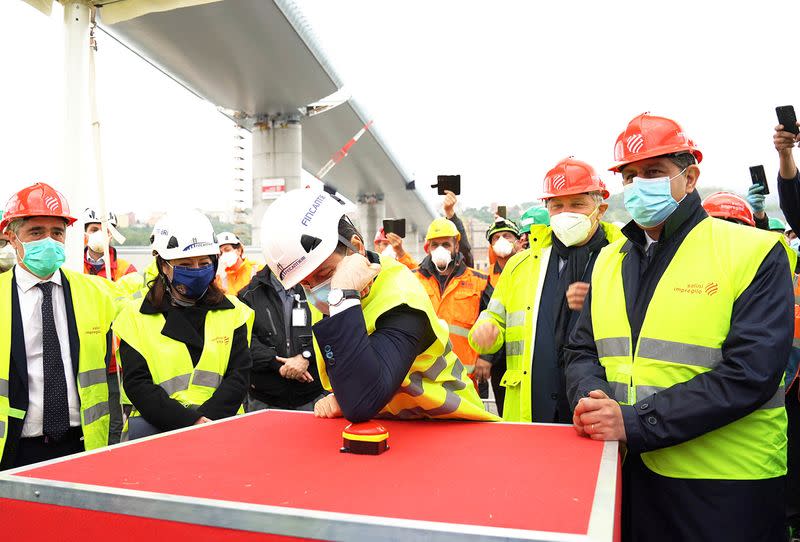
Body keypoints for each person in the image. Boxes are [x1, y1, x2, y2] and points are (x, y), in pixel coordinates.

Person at [564, 113, 793, 541]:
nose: (638, 185)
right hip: (631, 472)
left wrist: (635, 423)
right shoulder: (609, 261)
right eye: (629, 176)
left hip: (727, 485)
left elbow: (752, 373)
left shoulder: (753, 251)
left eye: (653, 172)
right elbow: (581, 351)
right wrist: (591, 401)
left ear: (690, 178)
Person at [259, 186, 496, 423]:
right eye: (305, 284)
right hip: (399, 427)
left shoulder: (401, 295)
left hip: (453, 425)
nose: (317, 290)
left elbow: (361, 400)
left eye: (325, 273)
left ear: (357, 247)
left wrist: (343, 295)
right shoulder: (327, 299)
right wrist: (342, 395)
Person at [469, 157, 621, 422]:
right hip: (532, 407)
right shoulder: (521, 265)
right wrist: (485, 331)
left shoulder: (622, 258)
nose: (566, 213)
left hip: (602, 405)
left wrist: (599, 302)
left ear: (601, 208)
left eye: (577, 204)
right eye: (557, 205)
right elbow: (494, 316)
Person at [0, 182, 117, 469]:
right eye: (36, 232)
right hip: (13, 448)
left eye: (57, 232)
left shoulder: (98, 292)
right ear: (12, 237)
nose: (49, 241)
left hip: (83, 444)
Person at [114, 210, 253, 439]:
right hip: (159, 431)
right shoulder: (134, 316)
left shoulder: (235, 312)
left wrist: (206, 421)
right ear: (164, 266)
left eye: (204, 263)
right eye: (186, 264)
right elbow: (137, 384)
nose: (197, 270)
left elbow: (239, 376)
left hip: (221, 428)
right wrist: (190, 421)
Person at [413, 217, 494, 394]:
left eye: (446, 244)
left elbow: (492, 320)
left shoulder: (479, 281)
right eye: (435, 245)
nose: (440, 250)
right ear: (428, 247)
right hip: (424, 380)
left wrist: (487, 357)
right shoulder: (412, 280)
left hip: (465, 379)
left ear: (456, 246)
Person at [238, 263, 327, 411]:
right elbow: (246, 341)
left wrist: (305, 357)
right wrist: (277, 365)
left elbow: (330, 329)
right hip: (264, 400)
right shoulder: (248, 294)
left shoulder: (318, 288)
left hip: (312, 395)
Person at [82, 208, 137, 281]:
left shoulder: (126, 270)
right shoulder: (74, 265)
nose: (100, 234)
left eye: (105, 230)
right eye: (94, 230)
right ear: (85, 234)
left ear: (111, 235)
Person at [485, 216, 521, 287]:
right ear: (491, 245)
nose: (501, 240)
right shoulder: (485, 276)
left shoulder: (528, 269)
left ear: (518, 241)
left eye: (506, 236)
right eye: (496, 238)